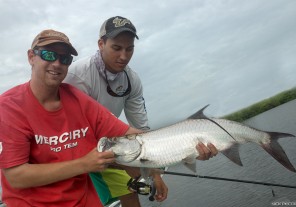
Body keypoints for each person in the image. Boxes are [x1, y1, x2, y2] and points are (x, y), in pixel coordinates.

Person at [64, 16, 218, 207]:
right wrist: (132, 166)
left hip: (110, 145)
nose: (123, 56)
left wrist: (155, 173)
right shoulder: (76, 76)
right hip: (72, 146)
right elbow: (77, 130)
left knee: (131, 195)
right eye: (116, 48)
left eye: (129, 49)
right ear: (101, 44)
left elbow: (141, 130)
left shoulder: (132, 80)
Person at [0, 29, 142, 207]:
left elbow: (128, 134)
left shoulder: (77, 99)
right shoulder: (10, 106)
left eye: (65, 59)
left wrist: (182, 143)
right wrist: (84, 164)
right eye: (49, 55)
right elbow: (16, 176)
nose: (57, 63)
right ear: (31, 57)